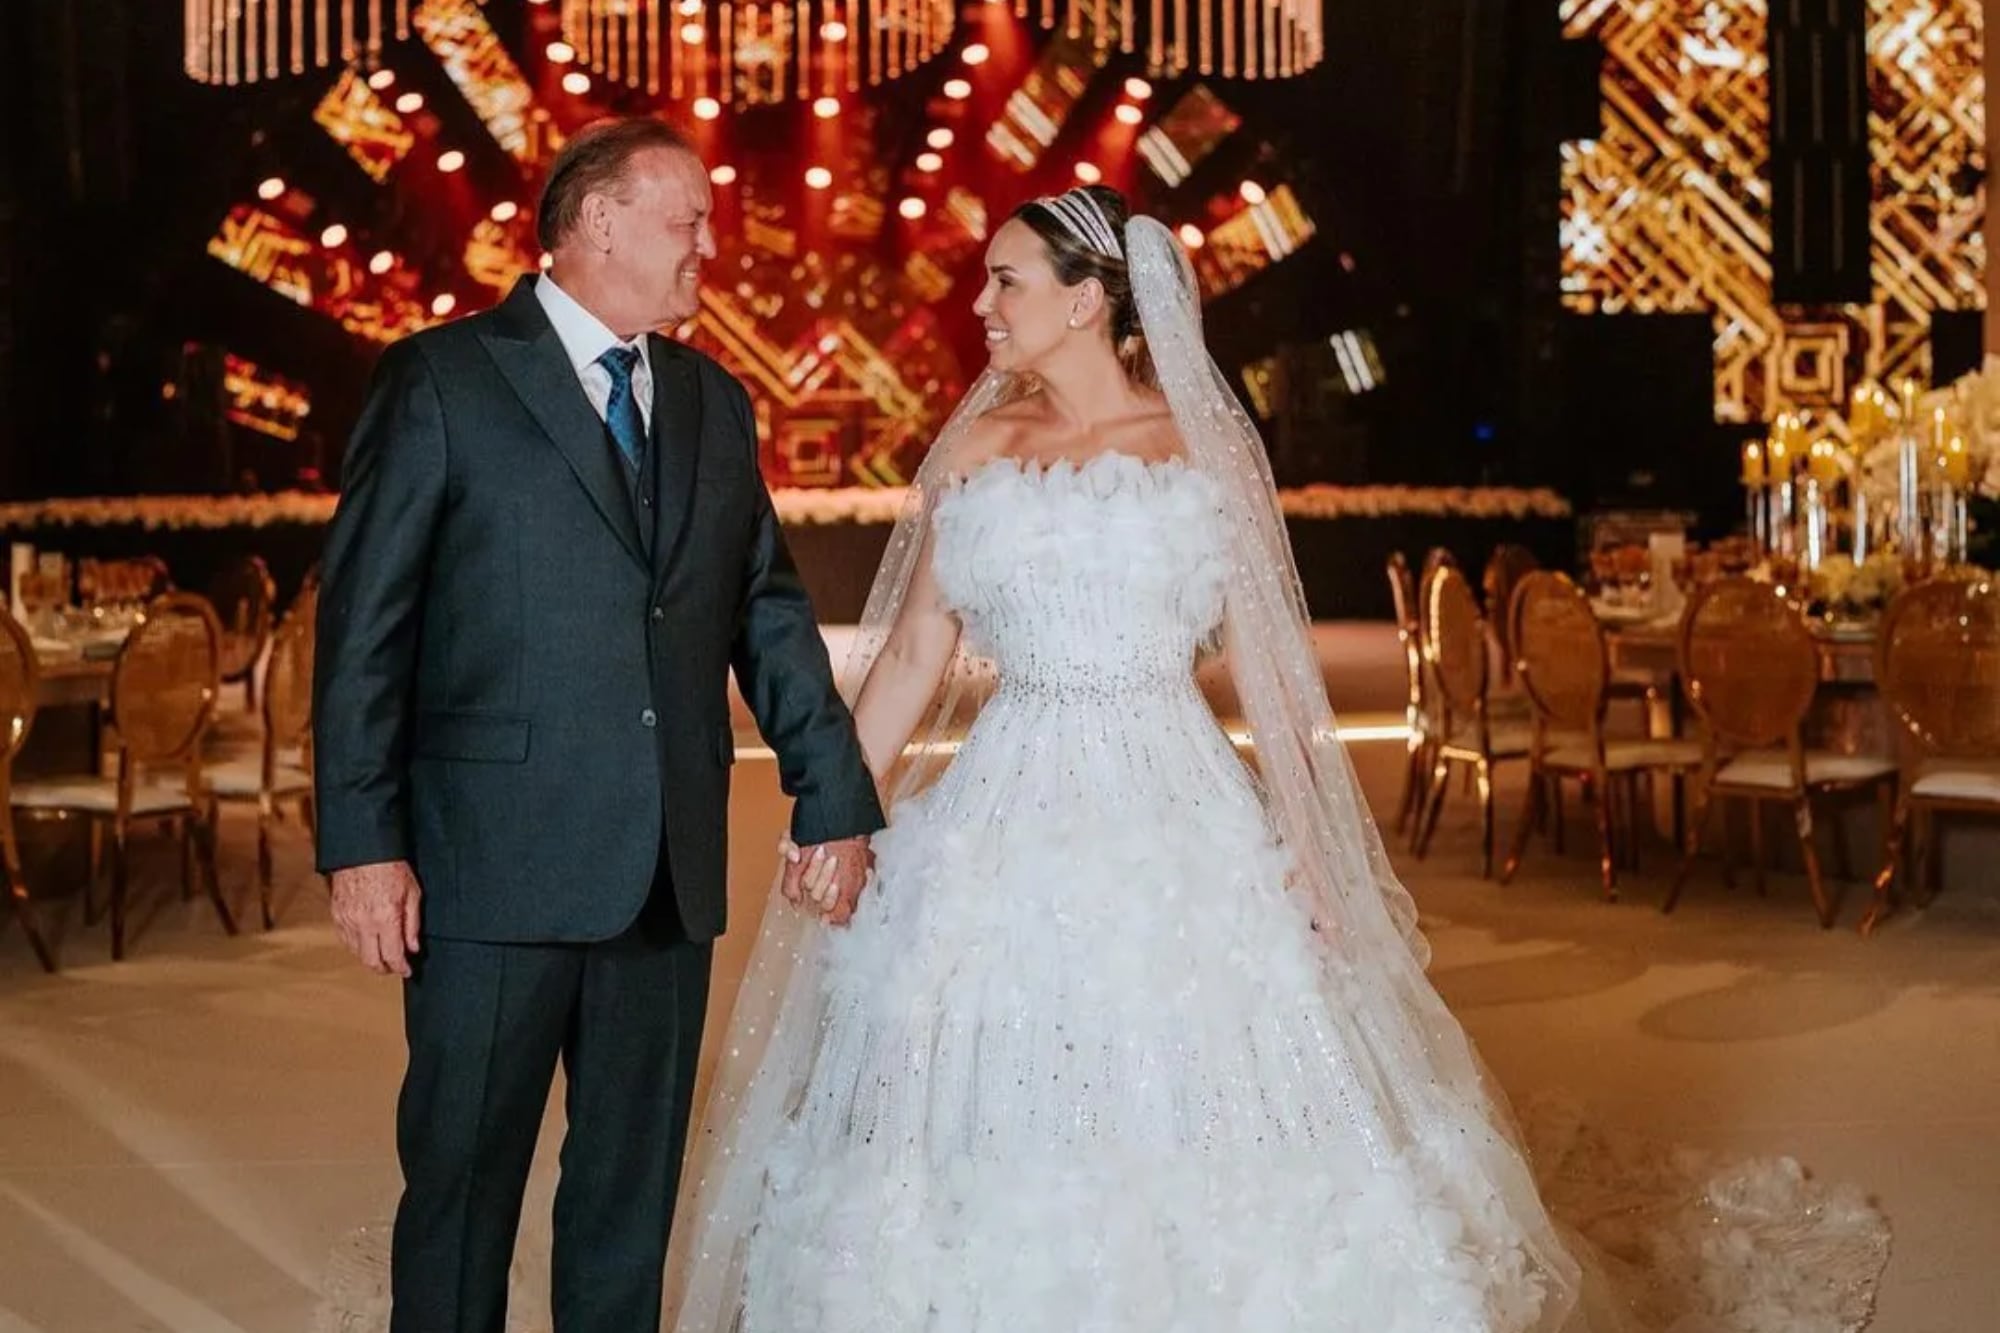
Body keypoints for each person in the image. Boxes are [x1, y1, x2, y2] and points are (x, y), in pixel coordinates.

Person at [662, 186, 1890, 1331]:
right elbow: (914, 651)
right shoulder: (976, 450)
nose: (980, 304)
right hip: (1006, 792)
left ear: (1084, 299)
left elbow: (1266, 670)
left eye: (1005, 280)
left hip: (1169, 792)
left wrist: (1310, 851)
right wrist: (833, 809)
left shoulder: (1198, 447)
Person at [311, 115, 881, 1333]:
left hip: (664, 876)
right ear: (600, 222)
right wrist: (361, 845)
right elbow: (364, 632)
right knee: (462, 1192)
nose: (708, 249)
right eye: (689, 223)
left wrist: (831, 793)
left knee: (628, 1204)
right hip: (487, 871)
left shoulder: (712, 401)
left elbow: (766, 611)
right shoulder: (442, 380)